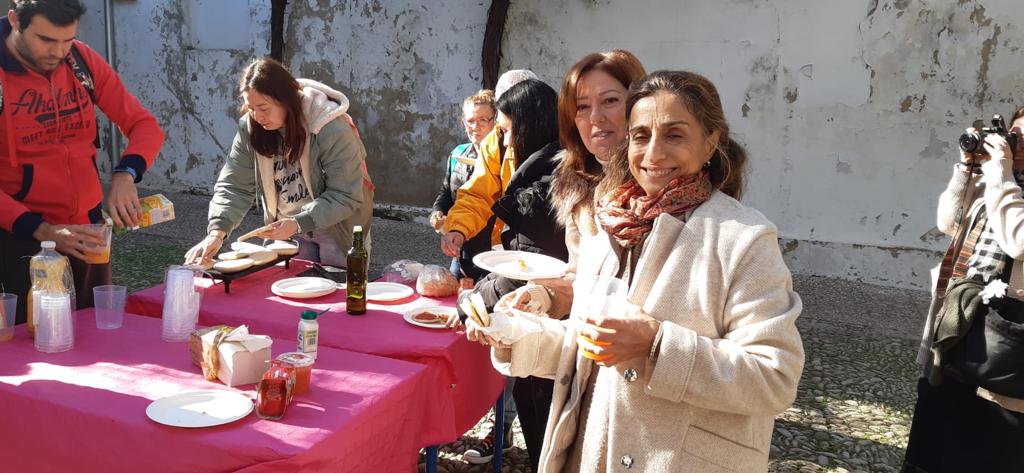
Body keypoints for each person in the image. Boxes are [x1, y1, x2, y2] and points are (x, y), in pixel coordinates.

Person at [468, 70, 804, 472]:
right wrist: (515, 335)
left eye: (674, 135)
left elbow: (775, 376)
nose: (654, 154)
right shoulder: (610, 224)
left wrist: (656, 347)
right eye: (641, 136)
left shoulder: (744, 239)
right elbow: (588, 346)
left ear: (711, 141)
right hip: (595, 455)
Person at [0, 0, 165, 324]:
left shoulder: (80, 60)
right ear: (15, 21)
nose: (58, 52)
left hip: (88, 226)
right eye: (46, 40)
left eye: (67, 40)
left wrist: (125, 174)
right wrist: (41, 229)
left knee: (98, 329)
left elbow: (144, 125)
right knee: (32, 337)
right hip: (21, 230)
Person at [903, 109, 1024, 472]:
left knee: (991, 434)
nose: (1016, 144)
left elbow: (1019, 241)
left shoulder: (1004, 181)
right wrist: (967, 168)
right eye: (1016, 135)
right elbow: (948, 222)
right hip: (961, 314)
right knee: (942, 415)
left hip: (1008, 331)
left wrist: (1002, 175)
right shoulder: (998, 179)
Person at [460, 78, 566, 471]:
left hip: (549, 329)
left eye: (505, 132)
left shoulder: (548, 179)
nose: (503, 144)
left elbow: (528, 266)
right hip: (544, 319)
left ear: (528, 124)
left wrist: (473, 300)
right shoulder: (548, 162)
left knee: (545, 428)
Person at [184, 58, 373, 268]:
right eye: (250, 108)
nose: (257, 116)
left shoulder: (329, 126)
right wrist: (217, 232)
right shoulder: (250, 128)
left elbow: (345, 193)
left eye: (264, 108)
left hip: (337, 228)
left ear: (286, 100)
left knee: (339, 294)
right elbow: (234, 186)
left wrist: (299, 223)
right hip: (285, 228)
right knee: (286, 293)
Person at [439, 69, 538, 259]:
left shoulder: (561, 141)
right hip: (507, 245)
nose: (507, 140)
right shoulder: (495, 141)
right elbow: (479, 194)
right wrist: (458, 228)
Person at [430, 89, 496, 280]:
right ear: (462, 123)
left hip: (492, 249)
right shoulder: (457, 154)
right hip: (461, 247)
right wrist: (438, 211)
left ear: (495, 122)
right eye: (471, 121)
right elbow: (445, 191)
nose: (476, 127)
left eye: (483, 120)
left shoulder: (503, 159)